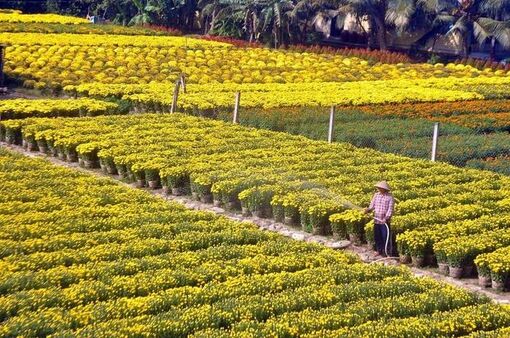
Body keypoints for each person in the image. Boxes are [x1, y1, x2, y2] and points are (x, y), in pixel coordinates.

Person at [364, 181, 395, 257]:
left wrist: (386, 218)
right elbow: (372, 205)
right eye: (378, 188)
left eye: (380, 188)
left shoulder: (390, 197)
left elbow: (390, 209)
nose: (379, 189)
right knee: (377, 236)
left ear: (385, 189)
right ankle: (379, 250)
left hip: (384, 221)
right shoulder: (376, 195)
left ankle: (387, 252)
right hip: (376, 219)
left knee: (385, 236)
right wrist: (368, 210)